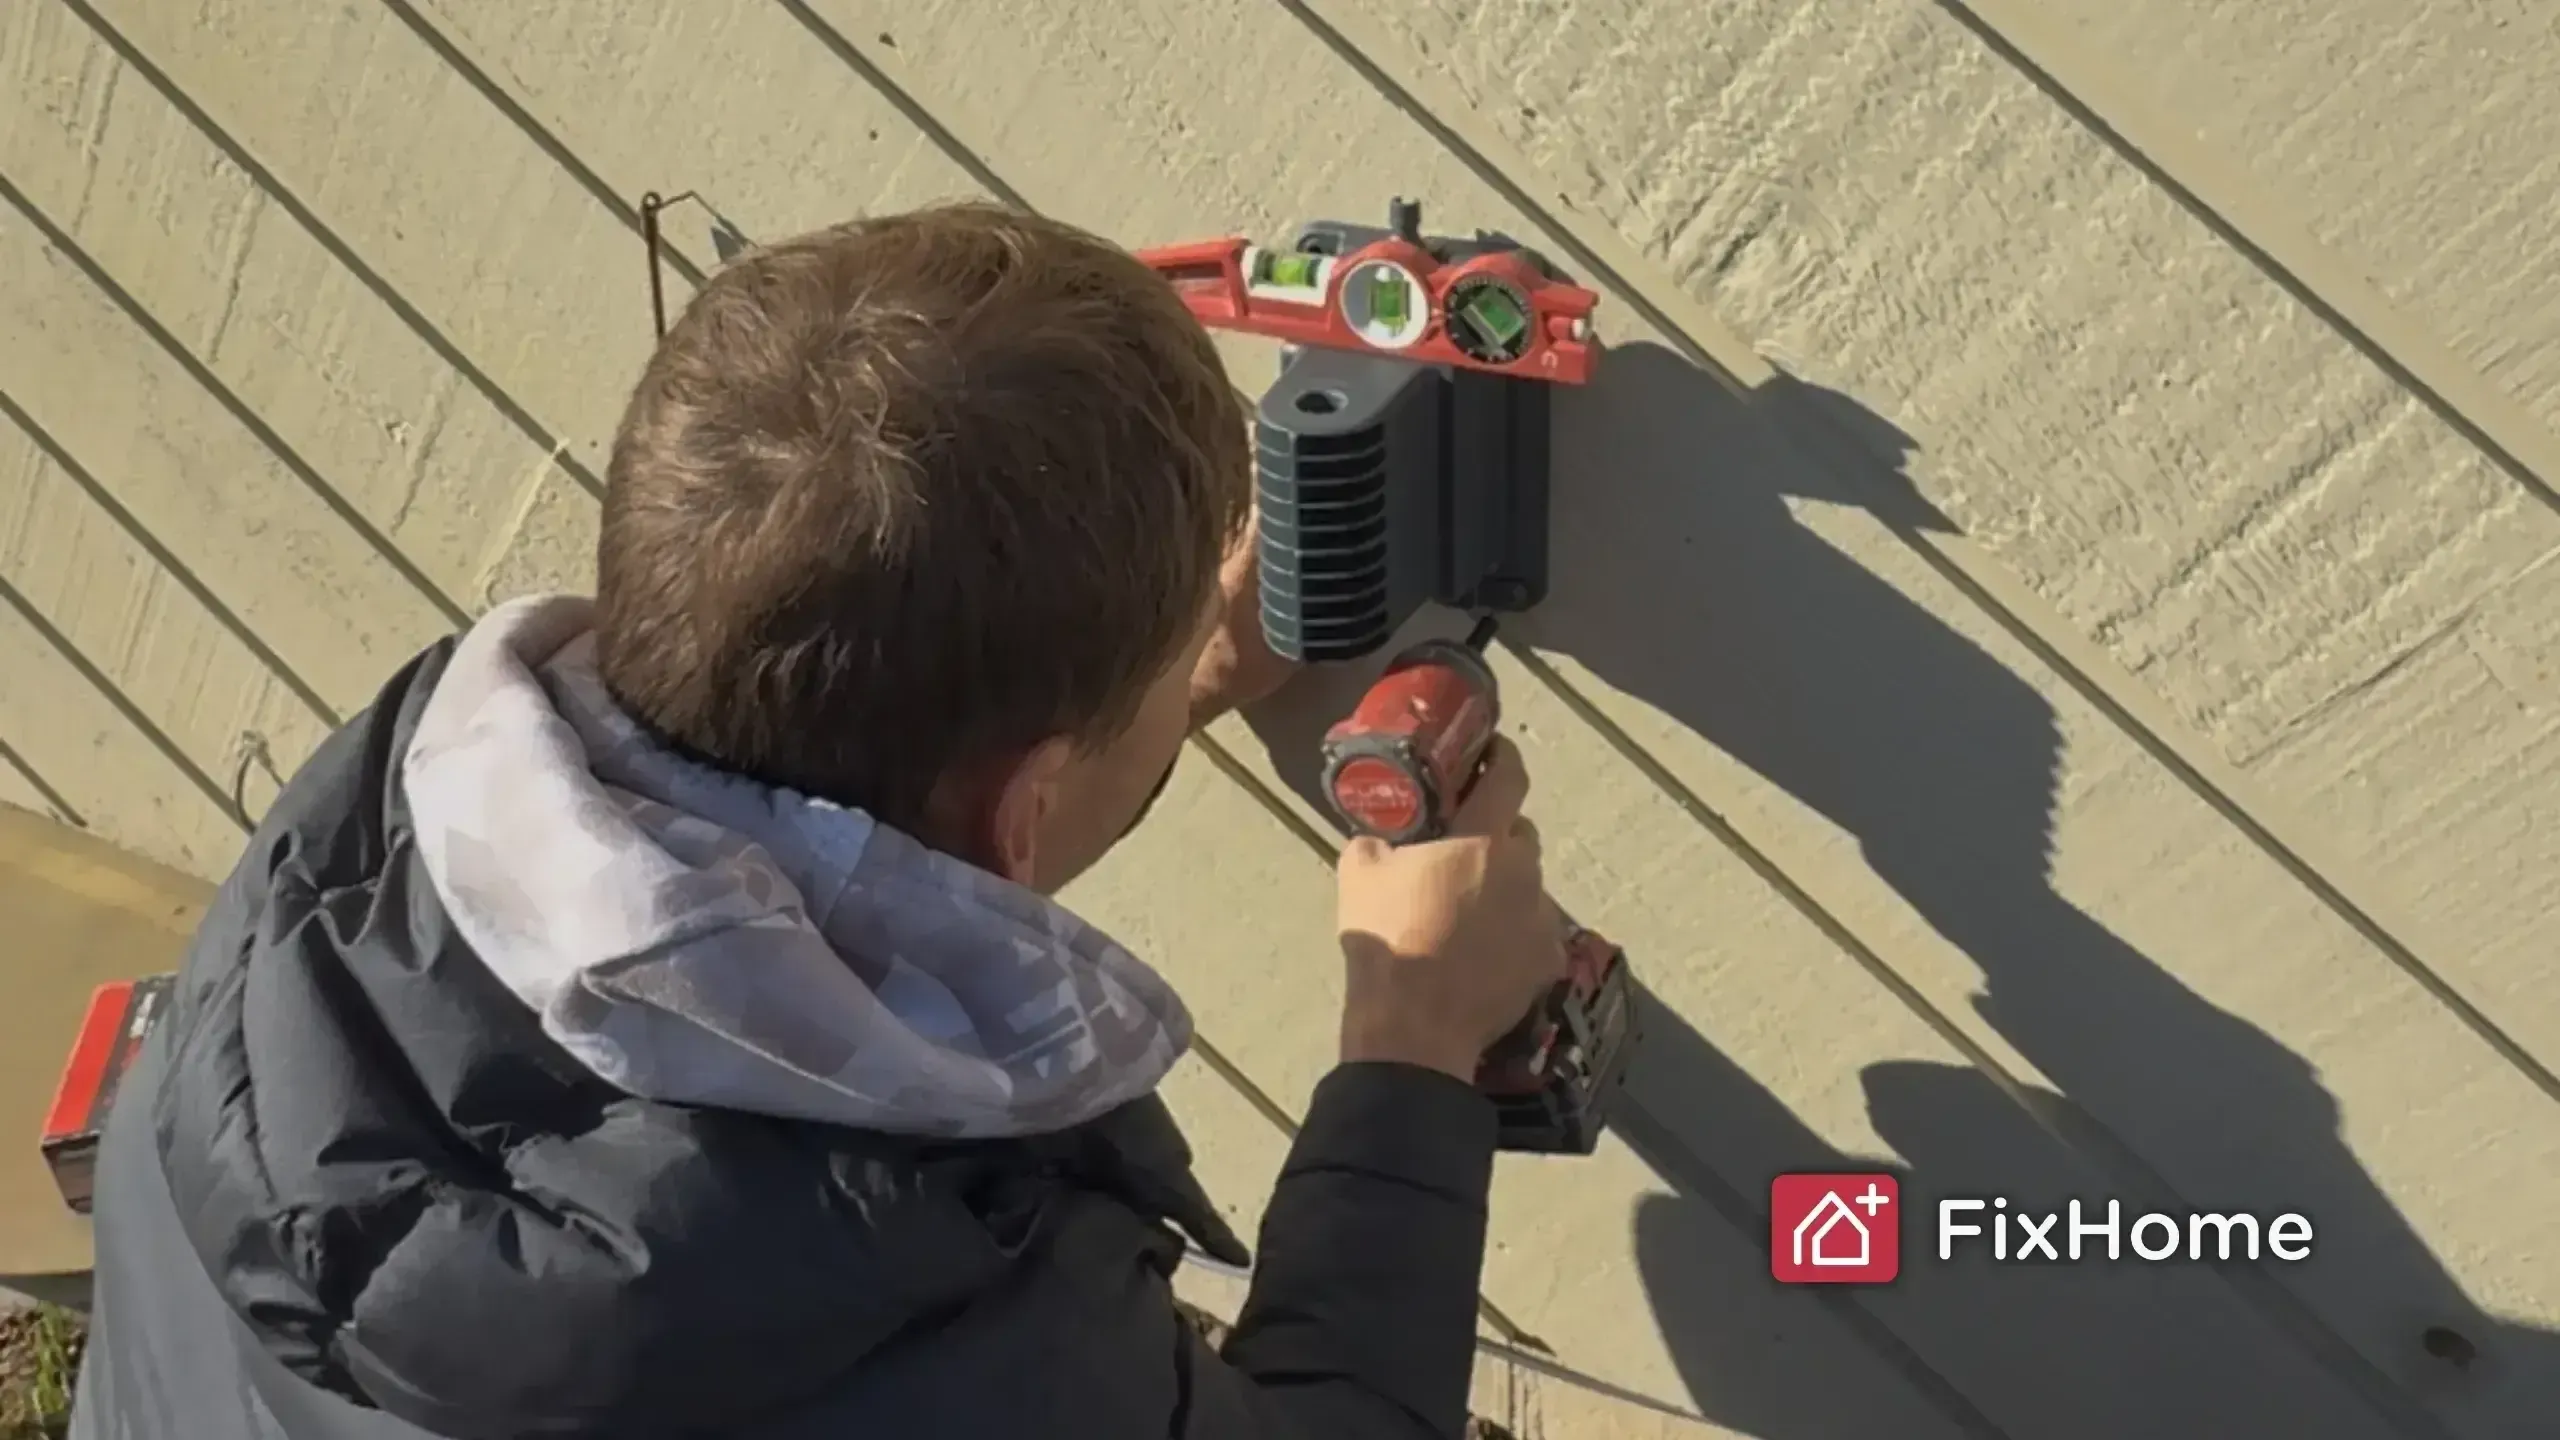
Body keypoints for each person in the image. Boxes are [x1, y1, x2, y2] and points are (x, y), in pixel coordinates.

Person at [70, 203, 1566, 1440]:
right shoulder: (959, 1349)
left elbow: (857, 852)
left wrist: (1159, 690)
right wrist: (1413, 1049)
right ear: (1024, 805)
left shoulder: (334, 885)